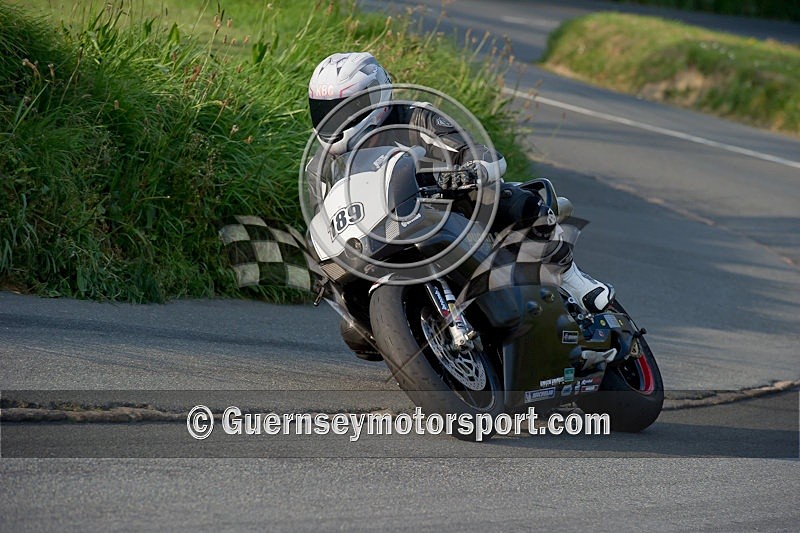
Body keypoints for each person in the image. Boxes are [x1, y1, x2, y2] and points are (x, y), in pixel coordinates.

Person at [306, 52, 612, 339]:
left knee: (512, 202)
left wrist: (474, 167)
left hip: (444, 208)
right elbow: (325, 217)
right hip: (380, 235)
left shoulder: (416, 117)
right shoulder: (318, 167)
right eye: (325, 112)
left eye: (345, 109)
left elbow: (467, 148)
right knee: (355, 335)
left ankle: (573, 279)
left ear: (377, 95)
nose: (335, 121)